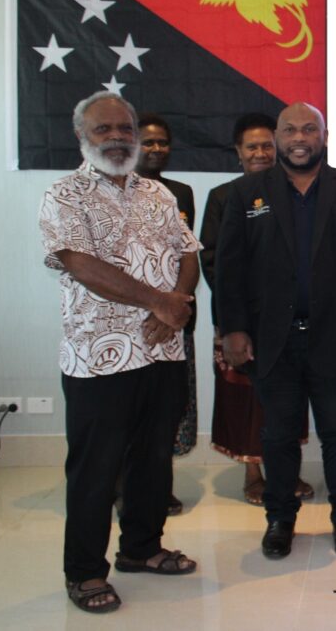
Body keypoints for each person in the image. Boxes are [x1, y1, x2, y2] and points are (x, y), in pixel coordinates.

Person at [39, 91, 199, 614]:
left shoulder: (157, 193)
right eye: (103, 129)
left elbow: (188, 254)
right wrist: (160, 302)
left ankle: (141, 549)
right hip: (98, 357)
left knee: (154, 459)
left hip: (162, 351)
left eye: (124, 129)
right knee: (96, 468)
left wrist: (175, 308)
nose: (116, 138)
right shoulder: (64, 195)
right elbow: (80, 264)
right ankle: (84, 571)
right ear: (82, 136)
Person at [216, 102, 336, 560]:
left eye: (309, 129)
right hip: (272, 342)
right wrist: (232, 329)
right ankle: (280, 519)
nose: (299, 137)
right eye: (289, 129)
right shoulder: (245, 193)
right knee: (277, 435)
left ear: (324, 136)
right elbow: (229, 268)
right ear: (276, 137)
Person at [198, 112, 313, 506]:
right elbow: (214, 262)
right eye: (252, 147)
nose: (261, 153)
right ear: (238, 153)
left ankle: (288, 473)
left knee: (288, 399)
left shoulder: (296, 191)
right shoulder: (223, 196)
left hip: (291, 323)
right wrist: (243, 317)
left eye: (267, 145)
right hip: (242, 323)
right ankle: (253, 473)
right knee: (246, 400)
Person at [135, 113, 196, 516]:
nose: (157, 149)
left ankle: (158, 487)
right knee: (130, 409)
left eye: (163, 142)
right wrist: (152, 306)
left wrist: (175, 304)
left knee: (168, 408)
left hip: (175, 316)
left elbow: (187, 252)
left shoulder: (179, 192)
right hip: (129, 320)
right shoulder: (112, 192)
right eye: (149, 142)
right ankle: (126, 487)